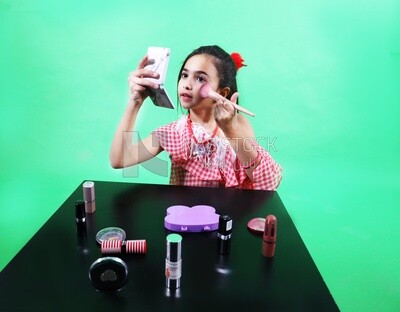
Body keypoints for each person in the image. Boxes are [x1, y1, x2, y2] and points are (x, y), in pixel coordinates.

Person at [110, 45, 282, 190]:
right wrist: (135, 102)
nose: (187, 84)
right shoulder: (175, 133)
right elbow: (119, 159)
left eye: (200, 78)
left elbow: (267, 183)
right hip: (185, 221)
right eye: (185, 75)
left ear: (221, 93)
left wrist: (230, 130)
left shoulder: (239, 125)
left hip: (227, 221)